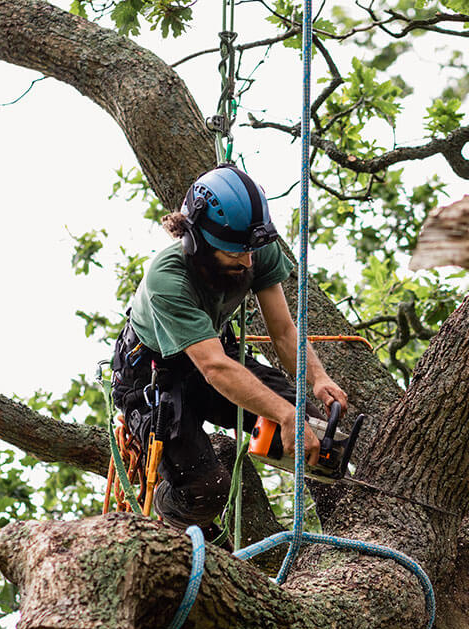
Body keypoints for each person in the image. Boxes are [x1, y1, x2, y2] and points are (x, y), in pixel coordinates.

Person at [111, 164, 348, 532]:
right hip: (154, 379)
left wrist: (316, 378)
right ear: (196, 241)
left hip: (213, 358)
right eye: (235, 253)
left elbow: (283, 331)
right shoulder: (167, 278)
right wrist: (284, 415)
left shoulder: (251, 245)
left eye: (251, 250)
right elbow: (215, 368)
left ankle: (343, 526)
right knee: (205, 488)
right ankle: (170, 509)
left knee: (316, 435)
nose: (248, 261)